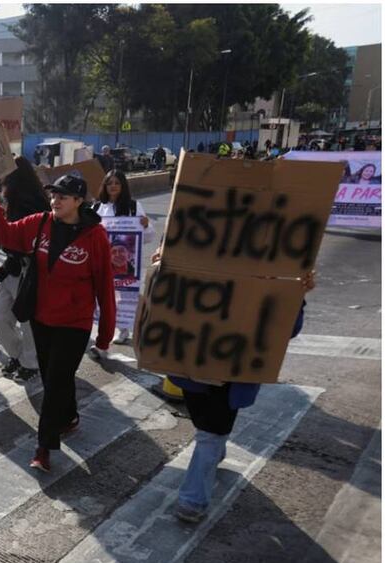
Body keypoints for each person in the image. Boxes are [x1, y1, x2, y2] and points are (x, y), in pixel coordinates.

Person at [0, 173, 116, 473]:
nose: (55, 200)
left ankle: (43, 448)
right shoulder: (40, 223)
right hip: (42, 320)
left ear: (79, 201)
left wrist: (105, 335)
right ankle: (69, 417)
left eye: (63, 196)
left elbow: (105, 288)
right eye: (53, 195)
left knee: (54, 382)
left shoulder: (95, 236)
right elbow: (5, 235)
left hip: (75, 323)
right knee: (55, 378)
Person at [171, 270, 315, 523]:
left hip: (234, 373)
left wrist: (296, 295)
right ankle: (217, 452)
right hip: (193, 365)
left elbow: (288, 329)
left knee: (210, 433)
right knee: (206, 427)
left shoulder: (274, 276)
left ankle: (192, 500)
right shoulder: (200, 264)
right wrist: (166, 270)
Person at [0, 157, 47, 382]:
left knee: (27, 320)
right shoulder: (7, 199)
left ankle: (30, 362)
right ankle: (18, 354)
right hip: (10, 265)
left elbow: (24, 238)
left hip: (27, 269)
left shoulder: (34, 203)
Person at [93, 170, 155, 344]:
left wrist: (146, 224)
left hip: (125, 264)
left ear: (123, 186)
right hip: (102, 260)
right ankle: (102, 328)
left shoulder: (134, 207)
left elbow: (148, 237)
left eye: (117, 183)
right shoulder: (97, 208)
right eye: (109, 183)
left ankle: (123, 328)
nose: (113, 186)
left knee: (123, 296)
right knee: (101, 295)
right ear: (105, 186)